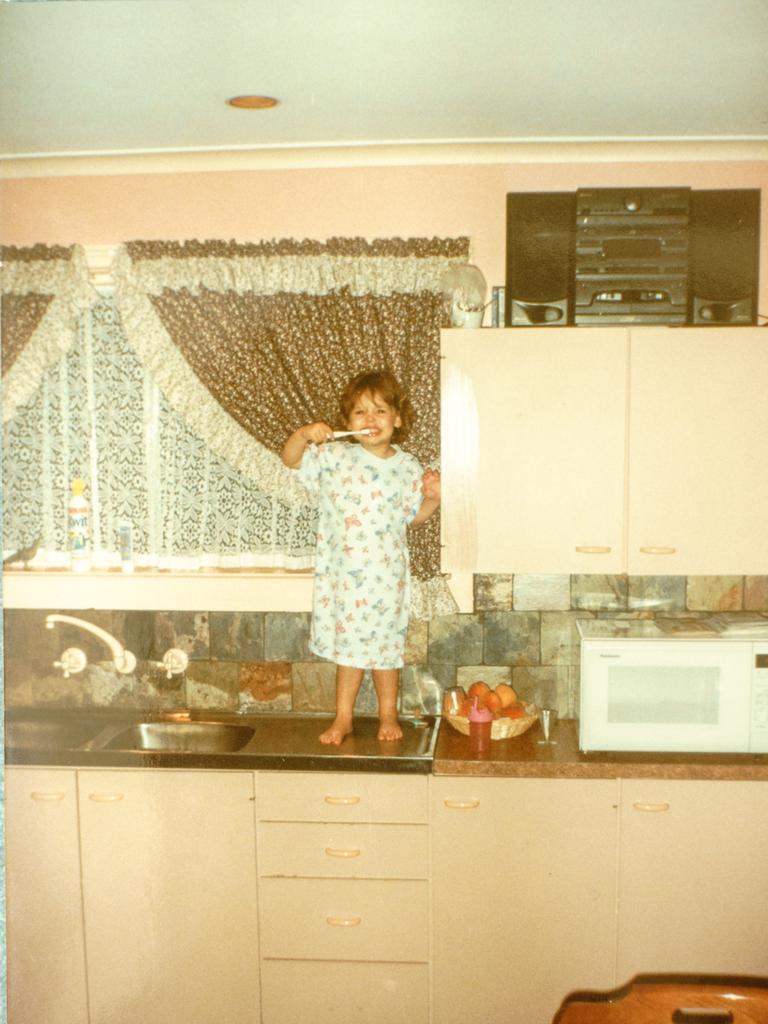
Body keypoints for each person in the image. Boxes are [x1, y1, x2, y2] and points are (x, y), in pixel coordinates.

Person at [281, 370, 441, 745]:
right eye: (360, 413)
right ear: (346, 423)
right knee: (350, 651)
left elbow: (413, 516)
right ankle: (344, 718)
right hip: (344, 576)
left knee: (386, 651)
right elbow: (290, 460)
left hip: (387, 578)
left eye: (380, 411)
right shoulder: (334, 456)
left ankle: (388, 713)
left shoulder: (407, 467)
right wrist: (304, 435)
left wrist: (433, 497)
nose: (370, 421)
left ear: (398, 418)